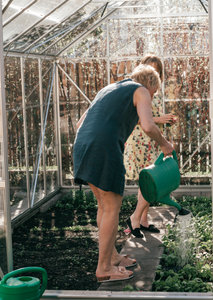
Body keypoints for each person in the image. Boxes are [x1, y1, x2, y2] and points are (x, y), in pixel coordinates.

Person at [73, 64, 174, 283]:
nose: (152, 96)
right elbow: (147, 126)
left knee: (103, 205)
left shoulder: (109, 89)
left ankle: (112, 257)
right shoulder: (141, 90)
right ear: (150, 84)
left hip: (83, 146)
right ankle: (104, 268)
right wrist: (165, 145)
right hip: (104, 148)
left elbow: (80, 123)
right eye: (154, 92)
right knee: (111, 207)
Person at [124, 55, 178, 238]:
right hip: (140, 140)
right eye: (149, 69)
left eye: (156, 70)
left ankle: (142, 220)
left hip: (150, 139)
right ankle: (135, 218)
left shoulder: (150, 89)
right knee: (149, 181)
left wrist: (164, 121)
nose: (152, 73)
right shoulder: (135, 89)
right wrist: (158, 120)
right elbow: (136, 118)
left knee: (148, 181)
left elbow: (149, 116)